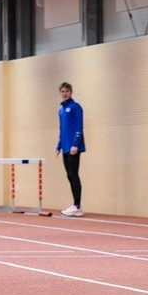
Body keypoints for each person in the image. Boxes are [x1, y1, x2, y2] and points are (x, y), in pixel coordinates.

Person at [56, 82, 86, 217]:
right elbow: (62, 129)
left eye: (67, 91)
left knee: (74, 174)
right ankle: (75, 204)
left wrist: (75, 144)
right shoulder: (61, 110)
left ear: (71, 92)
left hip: (74, 146)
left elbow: (79, 126)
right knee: (69, 174)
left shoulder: (75, 107)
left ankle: (77, 205)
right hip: (66, 146)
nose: (65, 93)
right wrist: (59, 145)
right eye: (62, 91)